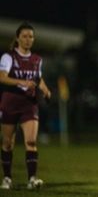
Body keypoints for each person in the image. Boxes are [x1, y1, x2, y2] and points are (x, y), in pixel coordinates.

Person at [0, 22, 51, 189]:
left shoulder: (37, 60)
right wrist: (22, 81)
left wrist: (45, 89)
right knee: (8, 143)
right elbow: (2, 77)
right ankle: (7, 178)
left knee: (31, 142)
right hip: (10, 103)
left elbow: (38, 78)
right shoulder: (9, 57)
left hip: (29, 104)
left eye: (31, 36)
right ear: (17, 38)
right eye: (24, 36)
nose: (28, 39)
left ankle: (32, 179)